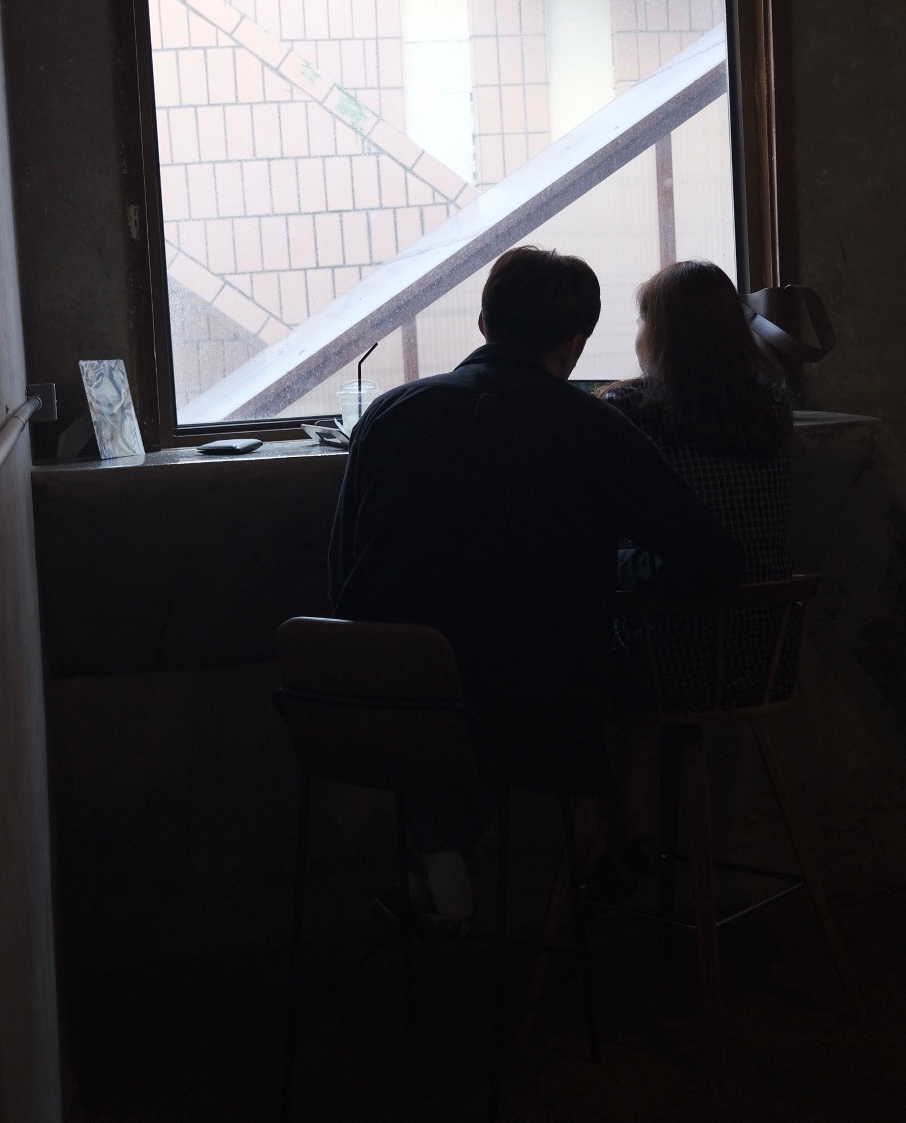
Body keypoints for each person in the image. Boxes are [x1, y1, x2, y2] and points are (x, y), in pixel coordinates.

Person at [328, 246, 743, 926]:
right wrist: (611, 568)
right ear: (575, 343)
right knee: (521, 663)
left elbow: (343, 572)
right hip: (528, 715)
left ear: (484, 322)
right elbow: (711, 559)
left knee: (448, 667)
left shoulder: (391, 412)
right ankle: (526, 861)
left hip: (361, 702)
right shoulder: (589, 426)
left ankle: (436, 859)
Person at [595, 259, 794, 897]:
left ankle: (620, 839)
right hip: (762, 650)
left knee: (588, 644)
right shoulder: (772, 408)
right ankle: (636, 839)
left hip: (671, 655)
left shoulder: (630, 410)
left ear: (659, 334)